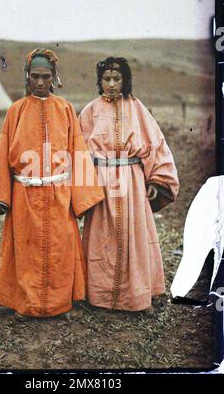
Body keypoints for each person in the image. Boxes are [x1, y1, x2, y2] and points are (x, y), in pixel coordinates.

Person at [0, 48, 104, 318]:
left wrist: (84, 197)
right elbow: (2, 152)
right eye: (34, 76)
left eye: (45, 76)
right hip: (24, 195)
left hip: (59, 194)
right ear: (27, 77)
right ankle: (27, 304)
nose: (39, 82)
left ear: (54, 78)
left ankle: (61, 303)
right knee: (26, 252)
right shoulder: (15, 111)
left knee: (61, 248)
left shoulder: (65, 109)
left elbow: (77, 152)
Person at [78, 57, 179, 311]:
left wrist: (156, 178)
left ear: (125, 81)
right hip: (101, 181)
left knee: (133, 235)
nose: (111, 84)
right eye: (106, 79)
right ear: (99, 82)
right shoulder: (90, 111)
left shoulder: (138, 109)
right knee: (102, 236)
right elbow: (78, 150)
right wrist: (84, 186)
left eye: (117, 79)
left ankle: (137, 295)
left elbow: (156, 144)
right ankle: (99, 296)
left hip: (132, 181)